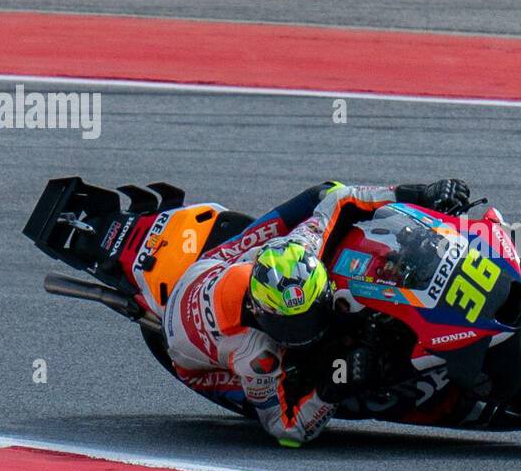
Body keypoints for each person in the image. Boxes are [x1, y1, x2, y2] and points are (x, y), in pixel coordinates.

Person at [161, 179, 470, 446]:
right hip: (191, 360)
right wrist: (332, 389)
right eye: (294, 326)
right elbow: (286, 430)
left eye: (311, 314)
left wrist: (418, 194)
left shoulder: (302, 244)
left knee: (324, 192)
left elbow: (342, 198)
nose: (308, 330)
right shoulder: (254, 356)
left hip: (215, 266)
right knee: (317, 377)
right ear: (261, 313)